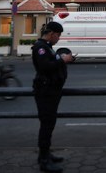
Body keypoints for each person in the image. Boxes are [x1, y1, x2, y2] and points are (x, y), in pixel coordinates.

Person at [32, 21, 75, 172]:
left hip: (51, 91)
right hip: (46, 91)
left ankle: (46, 154)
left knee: (49, 124)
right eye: (58, 35)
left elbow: (52, 62)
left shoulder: (47, 47)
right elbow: (45, 66)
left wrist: (61, 59)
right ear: (51, 34)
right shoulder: (40, 48)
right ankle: (44, 160)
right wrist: (62, 60)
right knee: (46, 124)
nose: (59, 38)